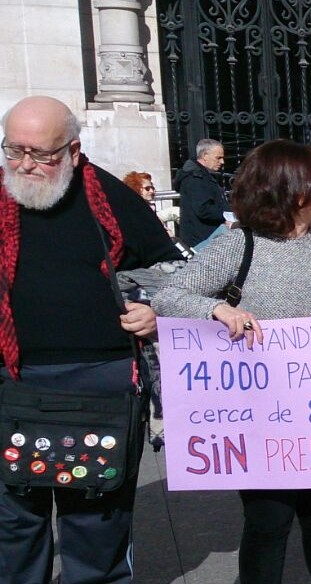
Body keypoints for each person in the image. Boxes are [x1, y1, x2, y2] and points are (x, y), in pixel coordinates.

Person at [0, 95, 183, 583]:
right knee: (14, 526)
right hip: (11, 383)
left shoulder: (110, 197)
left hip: (98, 388)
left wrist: (155, 310)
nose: (25, 165)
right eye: (14, 150)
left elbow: (178, 275)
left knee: (94, 526)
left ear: (75, 150)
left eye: (42, 154)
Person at [155, 139, 311, 584]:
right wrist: (217, 310)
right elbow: (167, 296)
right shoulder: (238, 245)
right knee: (269, 523)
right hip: (264, 419)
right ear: (286, 188)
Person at [173, 138, 228, 248]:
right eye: (218, 158)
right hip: (202, 240)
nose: (222, 162)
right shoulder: (196, 178)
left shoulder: (201, 176)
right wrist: (228, 214)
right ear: (205, 155)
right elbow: (203, 209)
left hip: (204, 237)